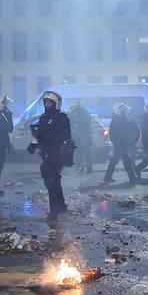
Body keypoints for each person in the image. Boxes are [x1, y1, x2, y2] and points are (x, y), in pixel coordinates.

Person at [30, 91, 72, 220]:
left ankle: (55, 211)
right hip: (46, 153)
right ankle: (60, 205)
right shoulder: (44, 117)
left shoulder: (62, 118)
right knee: (54, 181)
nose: (47, 104)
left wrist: (52, 147)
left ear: (56, 104)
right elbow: (40, 134)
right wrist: (34, 143)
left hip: (56, 155)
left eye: (50, 102)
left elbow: (64, 136)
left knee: (51, 181)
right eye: (46, 102)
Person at [103, 103, 140, 185]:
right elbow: (127, 130)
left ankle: (108, 177)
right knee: (126, 161)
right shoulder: (120, 119)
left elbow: (113, 134)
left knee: (115, 160)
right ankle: (132, 178)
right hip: (121, 143)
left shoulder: (116, 118)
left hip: (119, 143)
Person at [68, 101, 94, 174]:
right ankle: (81, 168)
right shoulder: (78, 113)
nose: (76, 108)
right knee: (80, 152)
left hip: (85, 136)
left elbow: (81, 124)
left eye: (77, 107)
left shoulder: (84, 114)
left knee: (85, 152)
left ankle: (87, 169)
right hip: (80, 136)